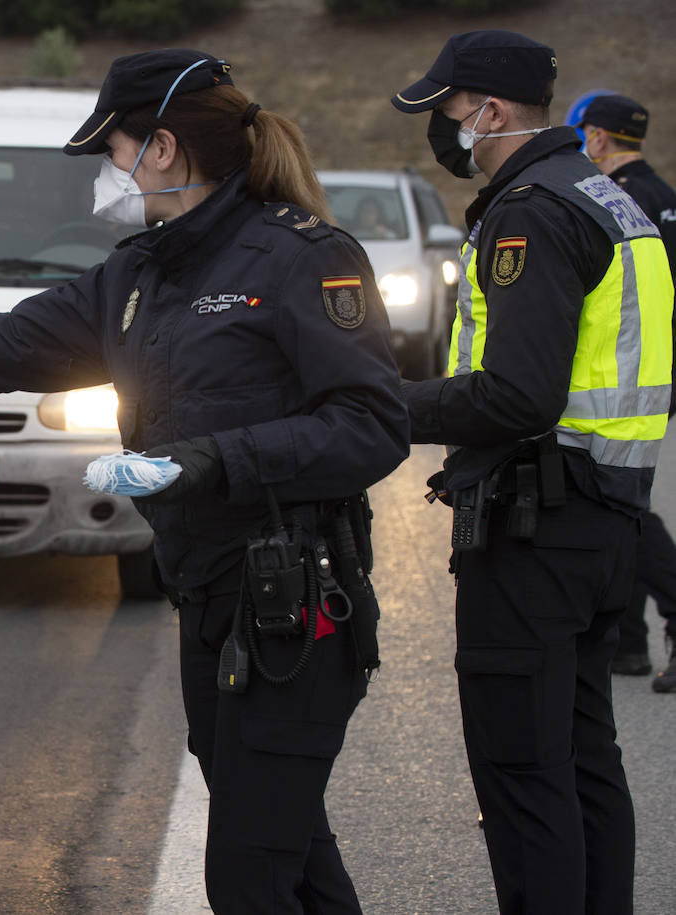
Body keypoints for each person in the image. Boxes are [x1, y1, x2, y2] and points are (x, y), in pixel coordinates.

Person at [0, 49, 409, 913]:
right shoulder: (139, 276)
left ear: (162, 149)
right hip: (213, 605)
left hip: (294, 616)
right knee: (292, 856)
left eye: (113, 149)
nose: (106, 171)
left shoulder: (299, 259)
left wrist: (214, 460)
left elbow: (372, 425)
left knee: (249, 875)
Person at [392, 30, 674, 914]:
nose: (443, 127)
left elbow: (517, 396)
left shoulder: (530, 210)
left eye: (447, 110)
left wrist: (385, 405)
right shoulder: (604, 196)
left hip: (536, 523)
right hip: (605, 514)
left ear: (491, 111)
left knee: (522, 771)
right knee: (587, 758)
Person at [577, 93, 676, 690]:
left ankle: (663, 616)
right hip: (654, 369)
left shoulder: (616, 200)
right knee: (624, 497)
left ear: (597, 138)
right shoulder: (662, 195)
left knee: (622, 506)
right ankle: (629, 644)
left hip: (624, 373)